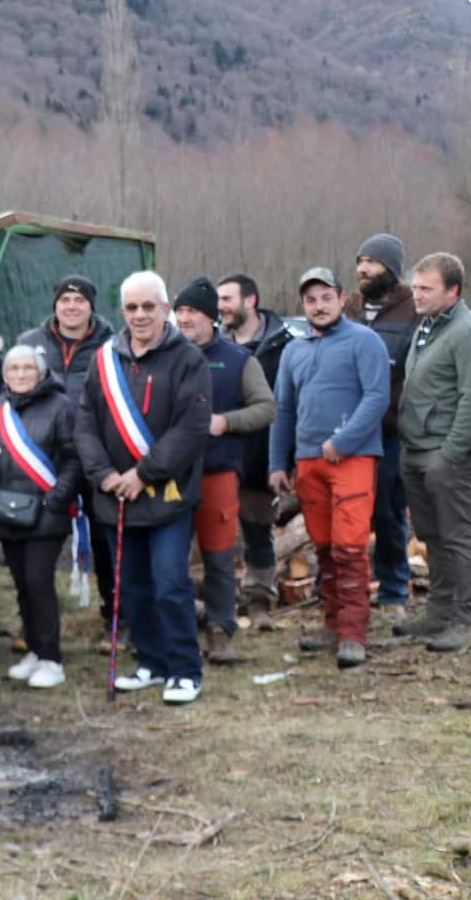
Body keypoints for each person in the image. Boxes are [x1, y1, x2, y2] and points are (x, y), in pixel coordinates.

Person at [78, 271, 211, 705]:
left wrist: (143, 473)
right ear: (122, 312)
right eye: (132, 308)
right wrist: (103, 474)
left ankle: (185, 669)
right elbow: (85, 423)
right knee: (130, 585)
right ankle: (151, 662)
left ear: (166, 309)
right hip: (116, 495)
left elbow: (190, 429)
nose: (140, 315)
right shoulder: (103, 361)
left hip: (166, 496)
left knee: (170, 582)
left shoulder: (188, 359)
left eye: (148, 306)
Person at [269, 267, 390, 668]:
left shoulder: (364, 341)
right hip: (307, 462)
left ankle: (354, 633)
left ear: (341, 298)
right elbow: (283, 410)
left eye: (326, 297)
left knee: (351, 546)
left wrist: (343, 442)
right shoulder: (294, 351)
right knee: (323, 546)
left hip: (351, 459)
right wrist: (276, 463)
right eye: (310, 300)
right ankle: (332, 623)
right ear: (302, 305)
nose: (318, 306)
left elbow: (377, 397)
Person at [393, 252, 471, 653]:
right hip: (416, 449)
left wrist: (450, 453)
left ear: (452, 291)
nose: (416, 294)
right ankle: (440, 613)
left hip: (445, 455)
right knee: (432, 534)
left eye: (425, 288)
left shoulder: (470, 334)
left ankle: (469, 621)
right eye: (415, 286)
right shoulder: (428, 328)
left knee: (459, 535)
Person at [171, 277, 275, 666]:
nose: (184, 319)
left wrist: (226, 422)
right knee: (170, 558)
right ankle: (176, 628)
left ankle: (220, 631)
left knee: (217, 558)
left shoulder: (237, 360)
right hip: (169, 475)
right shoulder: (163, 355)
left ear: (211, 316)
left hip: (217, 472)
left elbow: (267, 408)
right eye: (179, 311)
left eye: (192, 312)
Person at [17, 275, 118, 635]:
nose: (71, 307)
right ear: (55, 305)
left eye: (79, 300)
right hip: (45, 458)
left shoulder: (113, 345)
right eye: (65, 300)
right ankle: (34, 619)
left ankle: (115, 613)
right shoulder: (30, 343)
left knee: (107, 539)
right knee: (37, 540)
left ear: (92, 306)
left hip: (96, 456)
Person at [0, 346, 79, 690]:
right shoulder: (2, 407)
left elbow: (73, 458)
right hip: (9, 512)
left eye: (28, 368)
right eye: (14, 368)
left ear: (41, 373)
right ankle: (35, 652)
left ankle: (52, 659)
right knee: (22, 584)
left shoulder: (61, 407)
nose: (21, 374)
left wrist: (56, 499)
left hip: (45, 513)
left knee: (40, 583)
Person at [344, 234, 418, 619]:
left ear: (391, 268)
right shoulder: (349, 307)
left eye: (372, 261)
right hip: (349, 428)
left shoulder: (412, 310)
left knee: (389, 511)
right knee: (351, 512)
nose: (362, 268)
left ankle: (393, 591)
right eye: (360, 260)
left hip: (391, 429)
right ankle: (350, 592)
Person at [218, 273, 295, 629]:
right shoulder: (215, 345)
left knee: (258, 532)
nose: (221, 307)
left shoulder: (283, 345)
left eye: (227, 299)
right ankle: (212, 602)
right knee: (212, 533)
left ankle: (261, 600)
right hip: (220, 454)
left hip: (261, 455)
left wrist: (284, 459)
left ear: (250, 301)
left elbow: (290, 405)